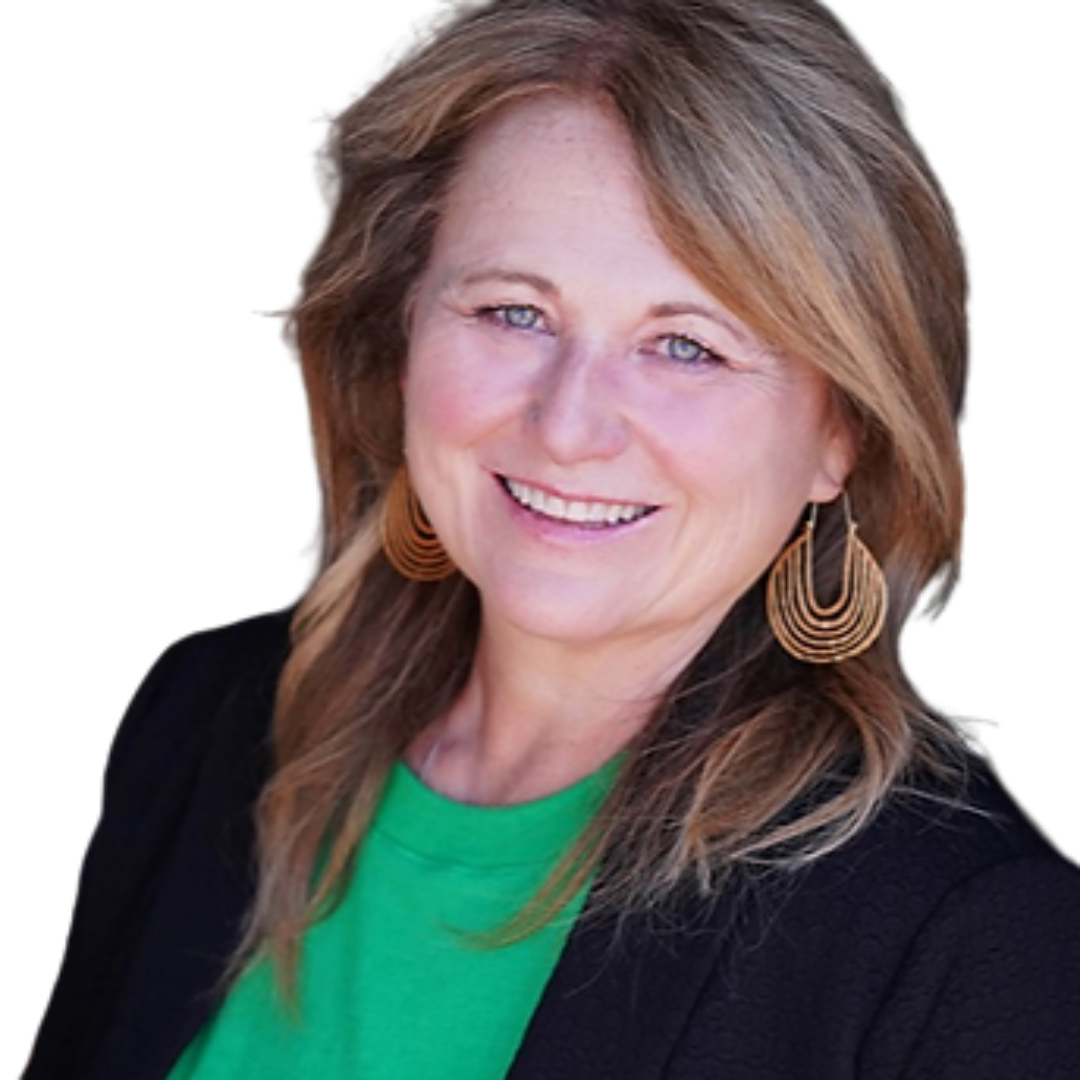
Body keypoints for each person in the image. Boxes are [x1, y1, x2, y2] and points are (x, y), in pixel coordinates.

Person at [24, 1, 1080, 1077]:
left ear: (840, 433)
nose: (568, 425)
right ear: (401, 337)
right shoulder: (206, 715)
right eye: (512, 313)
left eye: (686, 345)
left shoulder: (965, 938)